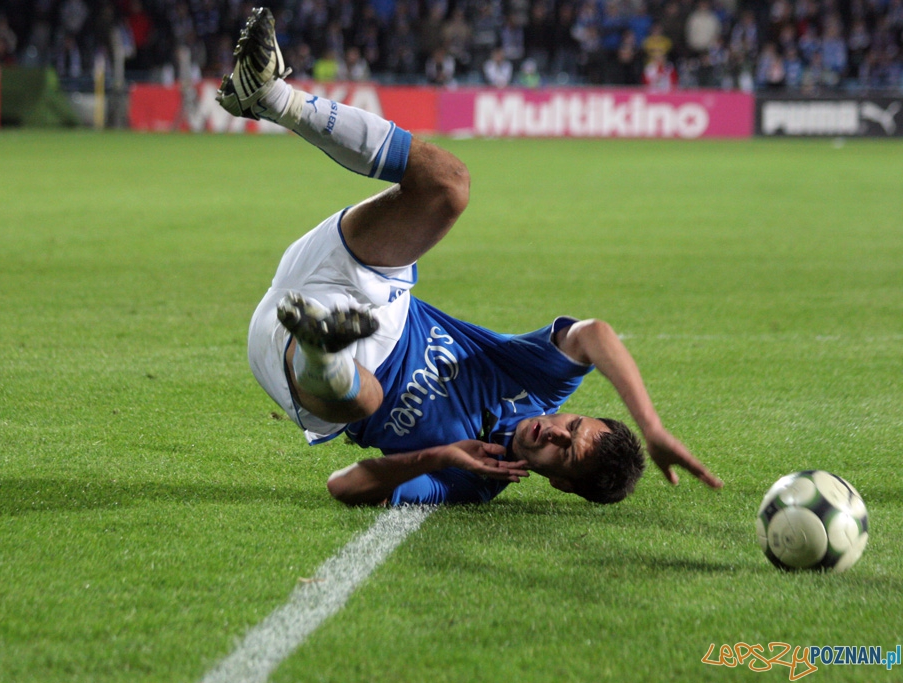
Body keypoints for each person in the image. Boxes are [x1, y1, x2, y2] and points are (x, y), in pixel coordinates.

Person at [217, 8, 724, 508]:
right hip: (373, 292)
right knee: (449, 186)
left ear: (561, 485)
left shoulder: (475, 478)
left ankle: (323, 350)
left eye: (564, 453)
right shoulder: (540, 386)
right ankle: (272, 97)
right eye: (572, 426)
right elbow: (593, 334)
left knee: (366, 398)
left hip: (303, 363)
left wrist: (437, 456)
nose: (555, 433)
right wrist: (651, 427)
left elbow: (343, 486)